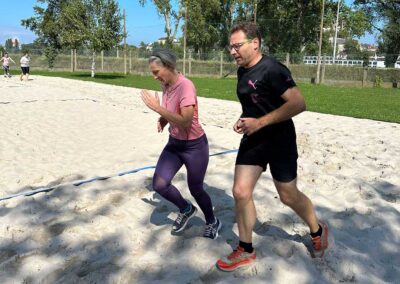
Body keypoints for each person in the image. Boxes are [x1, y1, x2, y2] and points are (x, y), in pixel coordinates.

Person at [216, 22, 329, 271]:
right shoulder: (242, 70)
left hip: (280, 140)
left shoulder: (273, 69)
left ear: (254, 43)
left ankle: (317, 229)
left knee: (288, 196)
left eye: (237, 46)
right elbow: (255, 103)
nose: (232, 51)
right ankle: (245, 249)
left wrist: (261, 122)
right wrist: (245, 120)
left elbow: (299, 103)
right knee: (240, 191)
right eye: (230, 47)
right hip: (254, 139)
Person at [140, 48, 222, 239]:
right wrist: (163, 119)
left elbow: (185, 120)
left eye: (156, 72)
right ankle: (186, 209)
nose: (154, 77)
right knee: (159, 184)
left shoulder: (186, 86)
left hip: (194, 146)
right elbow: (173, 112)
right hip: (174, 144)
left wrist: (157, 108)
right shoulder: (166, 84)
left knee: (196, 188)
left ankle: (212, 221)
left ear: (168, 66)